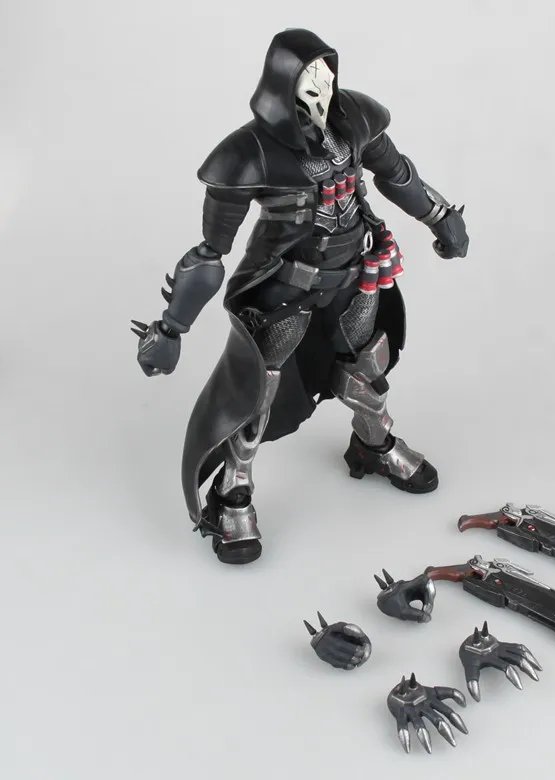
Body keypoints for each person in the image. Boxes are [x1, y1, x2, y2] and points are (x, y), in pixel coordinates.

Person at [132, 28, 469, 565]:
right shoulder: (249, 153)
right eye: (309, 76)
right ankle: (233, 492)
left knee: (365, 364)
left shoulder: (354, 121)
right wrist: (170, 328)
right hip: (285, 290)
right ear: (282, 83)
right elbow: (210, 252)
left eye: (327, 72)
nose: (323, 86)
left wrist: (439, 215)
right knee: (257, 390)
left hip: (354, 273)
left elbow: (396, 172)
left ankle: (373, 444)